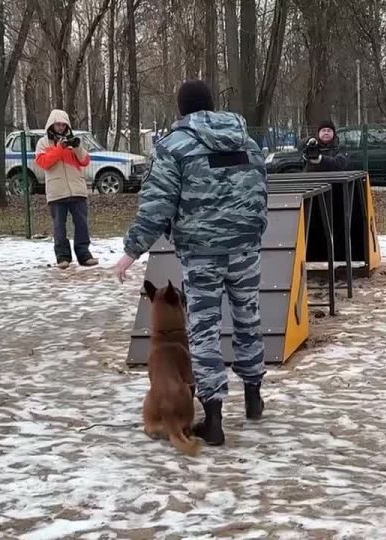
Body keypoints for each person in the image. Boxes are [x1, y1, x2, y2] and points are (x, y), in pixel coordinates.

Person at [113, 80, 269, 446]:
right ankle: (253, 396)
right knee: (249, 317)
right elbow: (261, 187)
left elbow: (157, 205)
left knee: (204, 330)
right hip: (245, 245)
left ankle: (213, 418)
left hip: (201, 252)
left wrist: (131, 251)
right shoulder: (247, 141)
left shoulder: (174, 146)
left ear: (181, 109)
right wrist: (253, 228)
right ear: (213, 106)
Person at [35, 109, 98, 268]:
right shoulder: (43, 143)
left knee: (82, 224)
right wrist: (59, 148)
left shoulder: (73, 141)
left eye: (63, 124)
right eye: (58, 124)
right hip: (57, 192)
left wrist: (76, 147)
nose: (61, 127)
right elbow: (44, 163)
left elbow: (84, 161)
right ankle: (62, 257)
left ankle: (84, 254)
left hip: (77, 189)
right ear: (52, 125)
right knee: (59, 226)